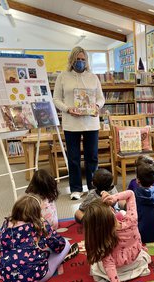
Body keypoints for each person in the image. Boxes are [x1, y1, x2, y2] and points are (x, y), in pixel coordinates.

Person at [53, 46, 105, 200]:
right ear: (72, 60)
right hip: (71, 123)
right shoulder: (62, 76)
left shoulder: (93, 77)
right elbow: (56, 99)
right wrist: (67, 109)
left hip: (91, 123)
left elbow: (101, 98)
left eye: (83, 59)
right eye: (77, 59)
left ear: (86, 61)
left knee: (92, 157)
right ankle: (75, 188)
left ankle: (92, 187)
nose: (80, 62)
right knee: (74, 157)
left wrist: (97, 106)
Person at [0, 194, 77, 282]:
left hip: (8, 280)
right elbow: (59, 245)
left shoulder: (6, 224)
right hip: (34, 279)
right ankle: (54, 261)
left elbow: (1, 245)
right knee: (65, 244)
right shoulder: (40, 224)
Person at [84, 191, 151, 282]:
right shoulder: (132, 219)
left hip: (118, 269)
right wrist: (114, 197)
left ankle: (123, 276)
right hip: (135, 259)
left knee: (96, 268)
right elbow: (131, 194)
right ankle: (135, 269)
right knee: (140, 254)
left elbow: (109, 266)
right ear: (111, 210)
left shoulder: (104, 240)